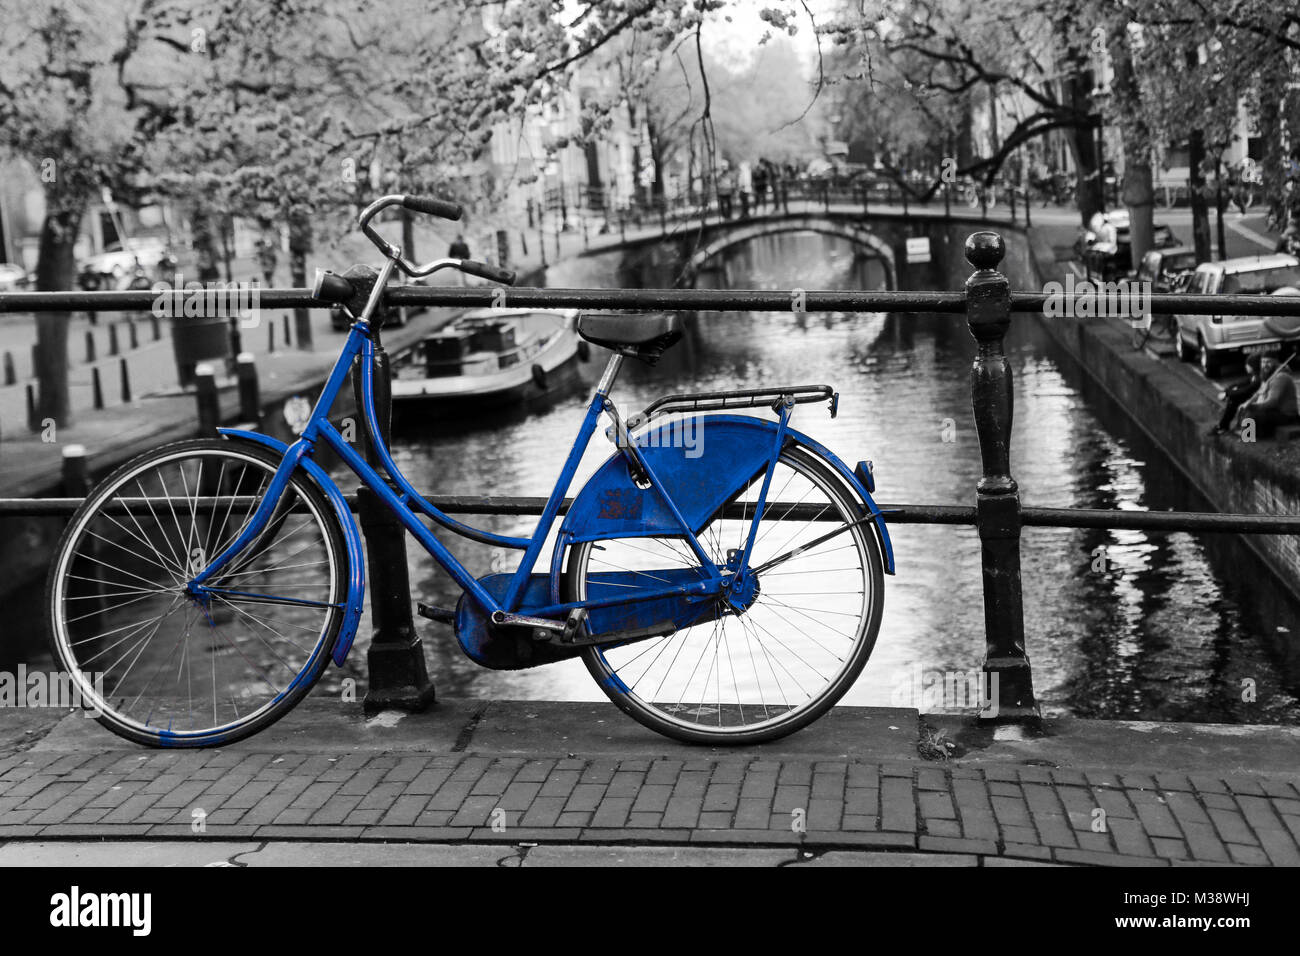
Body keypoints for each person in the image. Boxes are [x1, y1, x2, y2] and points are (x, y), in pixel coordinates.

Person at [1233, 355, 1300, 438]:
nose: (1265, 365)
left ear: (1275, 362)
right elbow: (1259, 393)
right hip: (1275, 410)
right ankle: (1246, 433)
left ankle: (1248, 436)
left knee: (1253, 414)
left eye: (1268, 362)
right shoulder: (1268, 375)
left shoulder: (1281, 377)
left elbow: (1272, 402)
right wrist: (1248, 402)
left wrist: (1253, 406)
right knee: (1244, 408)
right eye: (1263, 362)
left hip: (1286, 414)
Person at [1211, 354, 1262, 434]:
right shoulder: (1253, 376)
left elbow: (1246, 390)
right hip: (1252, 397)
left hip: (1257, 401)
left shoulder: (1258, 379)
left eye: (1247, 365)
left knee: (1234, 399)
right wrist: (1227, 390)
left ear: (1252, 366)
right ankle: (1223, 426)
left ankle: (1223, 426)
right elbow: (1241, 384)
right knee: (1234, 397)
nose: (1245, 366)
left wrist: (1227, 394)